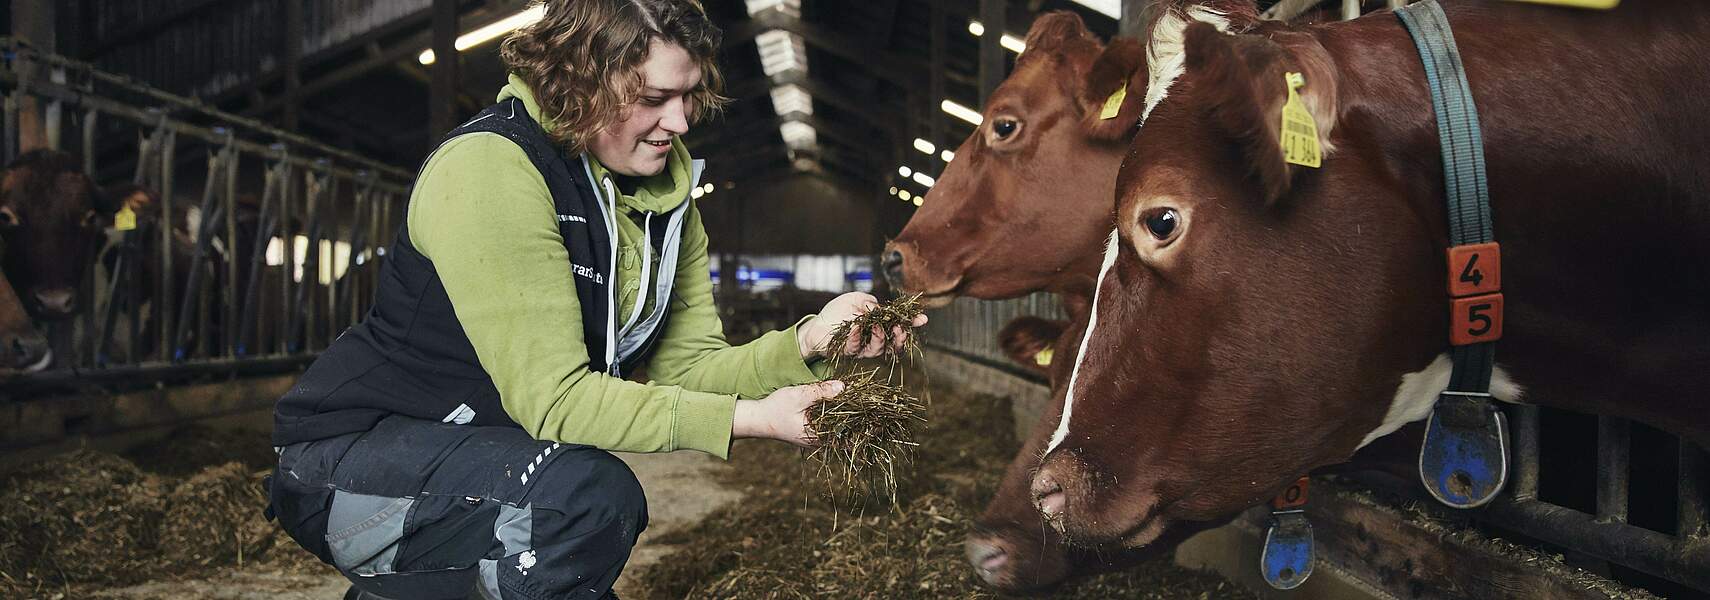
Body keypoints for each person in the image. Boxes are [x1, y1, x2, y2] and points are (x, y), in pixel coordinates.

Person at [265, 1, 923, 598]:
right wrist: (751, 420)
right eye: (653, 98)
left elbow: (690, 368)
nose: (680, 120)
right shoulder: (493, 169)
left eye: (689, 95)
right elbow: (554, 400)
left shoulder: (666, 202)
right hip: (348, 470)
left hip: (485, 467)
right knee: (587, 502)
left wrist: (810, 341)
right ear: (579, 83)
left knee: (571, 530)